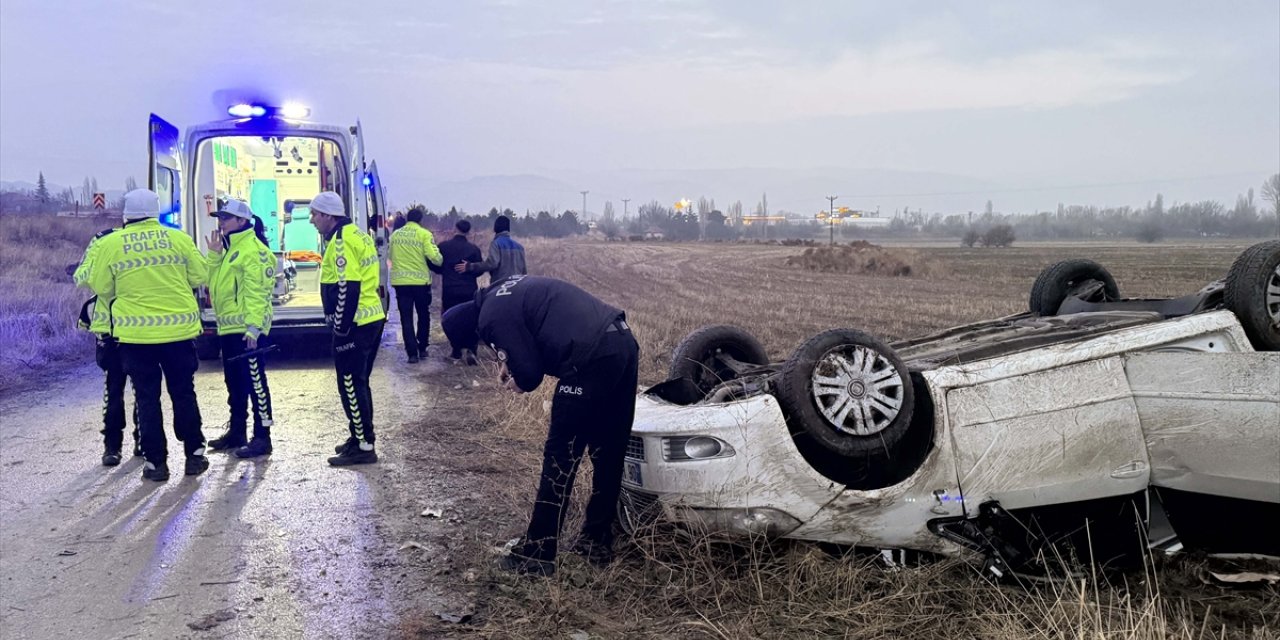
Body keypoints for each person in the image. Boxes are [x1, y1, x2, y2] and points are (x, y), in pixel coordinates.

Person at [442, 275, 639, 576]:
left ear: (473, 331)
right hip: (621, 343)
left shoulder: (489, 318)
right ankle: (597, 540)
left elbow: (531, 375)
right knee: (608, 450)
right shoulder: (500, 291)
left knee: (561, 456)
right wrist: (510, 359)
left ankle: (538, 552)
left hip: (589, 358)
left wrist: (517, 380)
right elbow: (532, 330)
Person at [87, 189, 208, 482]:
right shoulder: (178, 238)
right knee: (183, 393)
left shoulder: (112, 244)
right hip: (178, 334)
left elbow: (101, 286)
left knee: (147, 399)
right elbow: (200, 276)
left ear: (126, 215)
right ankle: (194, 455)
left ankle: (156, 464)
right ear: (155, 212)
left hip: (136, 338)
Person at [308, 191, 386, 466]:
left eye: (315, 214)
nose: (311, 220)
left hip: (355, 325)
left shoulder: (341, 242)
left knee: (351, 384)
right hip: (370, 318)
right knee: (359, 382)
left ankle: (364, 446)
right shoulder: (358, 235)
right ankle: (360, 435)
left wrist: (340, 328)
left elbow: (347, 288)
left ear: (329, 216)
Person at [204, 200, 277, 458]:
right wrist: (214, 256)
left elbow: (257, 292)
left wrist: (254, 328)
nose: (221, 222)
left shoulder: (253, 251)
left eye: (226, 218)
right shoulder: (230, 250)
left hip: (248, 331)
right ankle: (237, 432)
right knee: (234, 383)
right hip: (230, 329)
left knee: (256, 384)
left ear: (243, 222)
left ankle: (262, 436)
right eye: (220, 217)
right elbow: (212, 284)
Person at [73, 226, 141, 466]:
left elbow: (81, 277)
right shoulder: (148, 240)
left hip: (114, 329)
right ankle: (136, 443)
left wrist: (101, 275)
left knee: (116, 390)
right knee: (140, 390)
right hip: (136, 327)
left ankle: (113, 447)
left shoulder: (102, 240)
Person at [388, 207, 442, 362]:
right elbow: (434, 257)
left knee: (406, 317)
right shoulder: (424, 234)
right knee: (423, 314)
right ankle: (423, 347)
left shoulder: (395, 236)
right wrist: (441, 260)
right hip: (420, 283)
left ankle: (411, 353)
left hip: (401, 283)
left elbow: (391, 256)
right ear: (420, 220)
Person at [430, 219, 482, 362]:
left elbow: (435, 265)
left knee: (450, 319)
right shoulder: (474, 249)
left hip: (450, 290)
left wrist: (445, 271)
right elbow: (479, 271)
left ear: (455, 229)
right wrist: (469, 269)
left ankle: (456, 350)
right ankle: (472, 350)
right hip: (469, 290)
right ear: (469, 232)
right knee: (470, 320)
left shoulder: (444, 247)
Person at [455, 214, 526, 283]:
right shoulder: (520, 247)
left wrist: (470, 266)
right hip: (517, 286)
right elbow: (524, 271)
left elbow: (492, 264)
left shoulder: (496, 243)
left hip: (501, 286)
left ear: (495, 228)